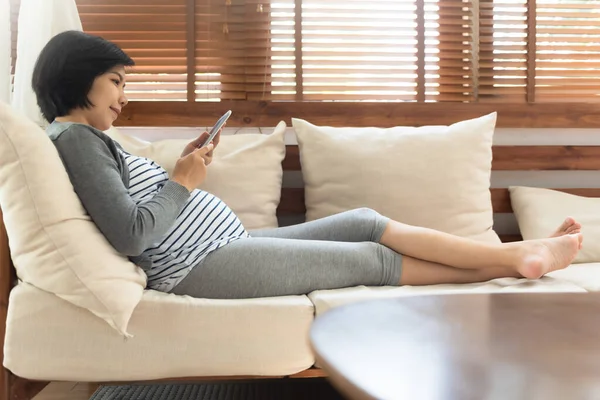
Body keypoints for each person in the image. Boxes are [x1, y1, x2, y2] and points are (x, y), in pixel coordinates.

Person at [32, 31, 583, 300]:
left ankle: (514, 256)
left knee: (365, 219)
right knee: (368, 255)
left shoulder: (87, 139)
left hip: (226, 246)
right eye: (116, 82)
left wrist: (179, 169)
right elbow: (131, 234)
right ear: (77, 77)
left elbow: (136, 207)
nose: (124, 97)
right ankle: (514, 261)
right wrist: (182, 181)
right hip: (199, 268)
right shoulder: (76, 140)